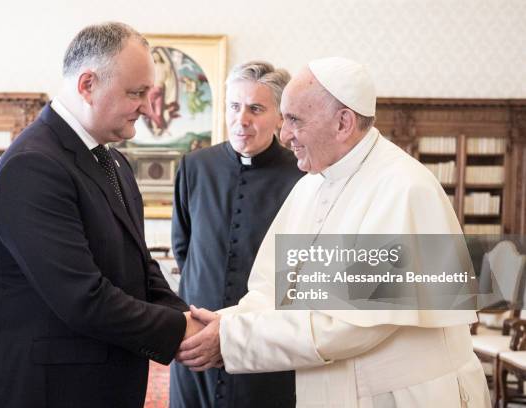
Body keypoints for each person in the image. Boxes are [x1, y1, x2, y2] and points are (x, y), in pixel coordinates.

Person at [177, 57, 490, 407]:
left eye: (295, 120)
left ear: (343, 123)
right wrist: (222, 321)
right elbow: (272, 290)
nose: (284, 135)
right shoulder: (310, 185)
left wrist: (231, 338)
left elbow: (350, 325)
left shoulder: (405, 189)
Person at [0, 22, 201, 408]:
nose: (148, 108)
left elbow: (139, 266)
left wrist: (184, 315)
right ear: (87, 85)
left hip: (103, 383)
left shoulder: (113, 161)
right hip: (47, 390)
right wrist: (182, 330)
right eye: (136, 93)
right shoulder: (32, 165)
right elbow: (82, 298)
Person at [170, 61, 303, 408]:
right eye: (234, 106)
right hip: (196, 340)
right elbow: (184, 248)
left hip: (264, 344)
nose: (242, 119)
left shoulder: (303, 179)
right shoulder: (195, 167)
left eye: (256, 108)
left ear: (280, 117)